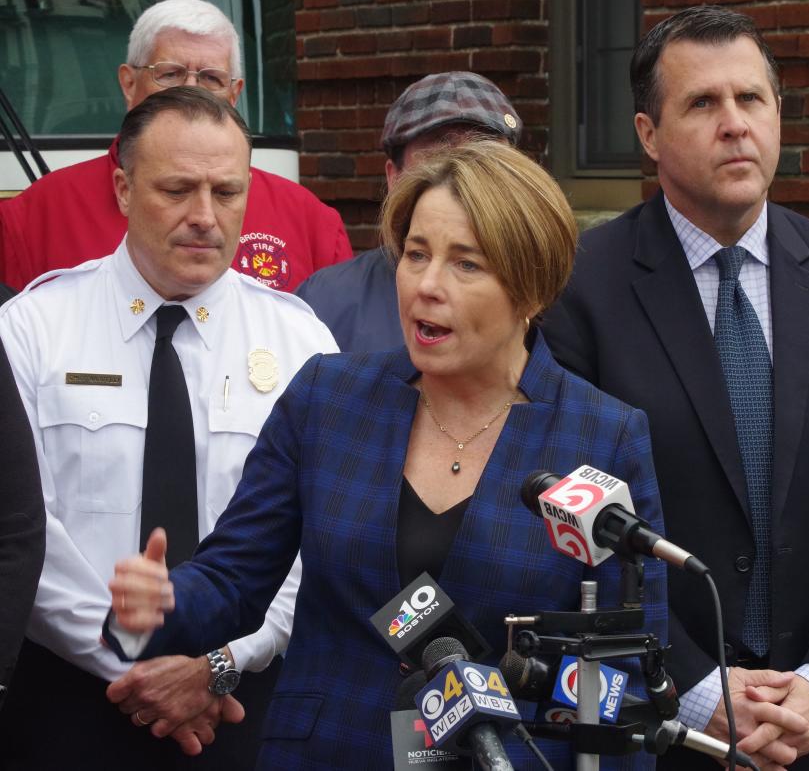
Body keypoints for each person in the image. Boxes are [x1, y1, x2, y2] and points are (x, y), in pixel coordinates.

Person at [104, 138, 668, 769]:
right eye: (416, 254)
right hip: (325, 750)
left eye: (466, 264)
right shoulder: (329, 397)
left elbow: (623, 678)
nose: (426, 286)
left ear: (532, 291)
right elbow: (234, 578)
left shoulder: (601, 436)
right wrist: (164, 601)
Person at [542, 5, 809, 771]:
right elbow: (569, 519)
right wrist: (694, 687)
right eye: (702, 103)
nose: (734, 124)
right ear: (647, 135)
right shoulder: (579, 289)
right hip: (661, 725)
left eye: (750, 99)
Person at [0, 87, 338, 769]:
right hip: (69, 701)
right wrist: (132, 663)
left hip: (240, 703)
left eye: (227, 191)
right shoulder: (33, 329)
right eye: (178, 189)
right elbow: (22, 532)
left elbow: (319, 537)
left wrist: (215, 665)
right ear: (122, 188)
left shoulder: (301, 342)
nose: (205, 217)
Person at [0, 0, 352, 292]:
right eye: (169, 73)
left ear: (235, 93)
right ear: (128, 83)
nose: (191, 91)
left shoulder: (312, 224)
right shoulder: (32, 220)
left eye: (211, 78)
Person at [296, 71, 522, 352]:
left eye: (484, 161)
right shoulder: (325, 301)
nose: (462, 179)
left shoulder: (550, 296)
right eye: (440, 161)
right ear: (394, 177)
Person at [0, 334, 45, 710]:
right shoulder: (27, 322)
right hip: (63, 664)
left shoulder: (270, 321)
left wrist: (221, 661)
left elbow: (18, 527)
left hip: (242, 678)